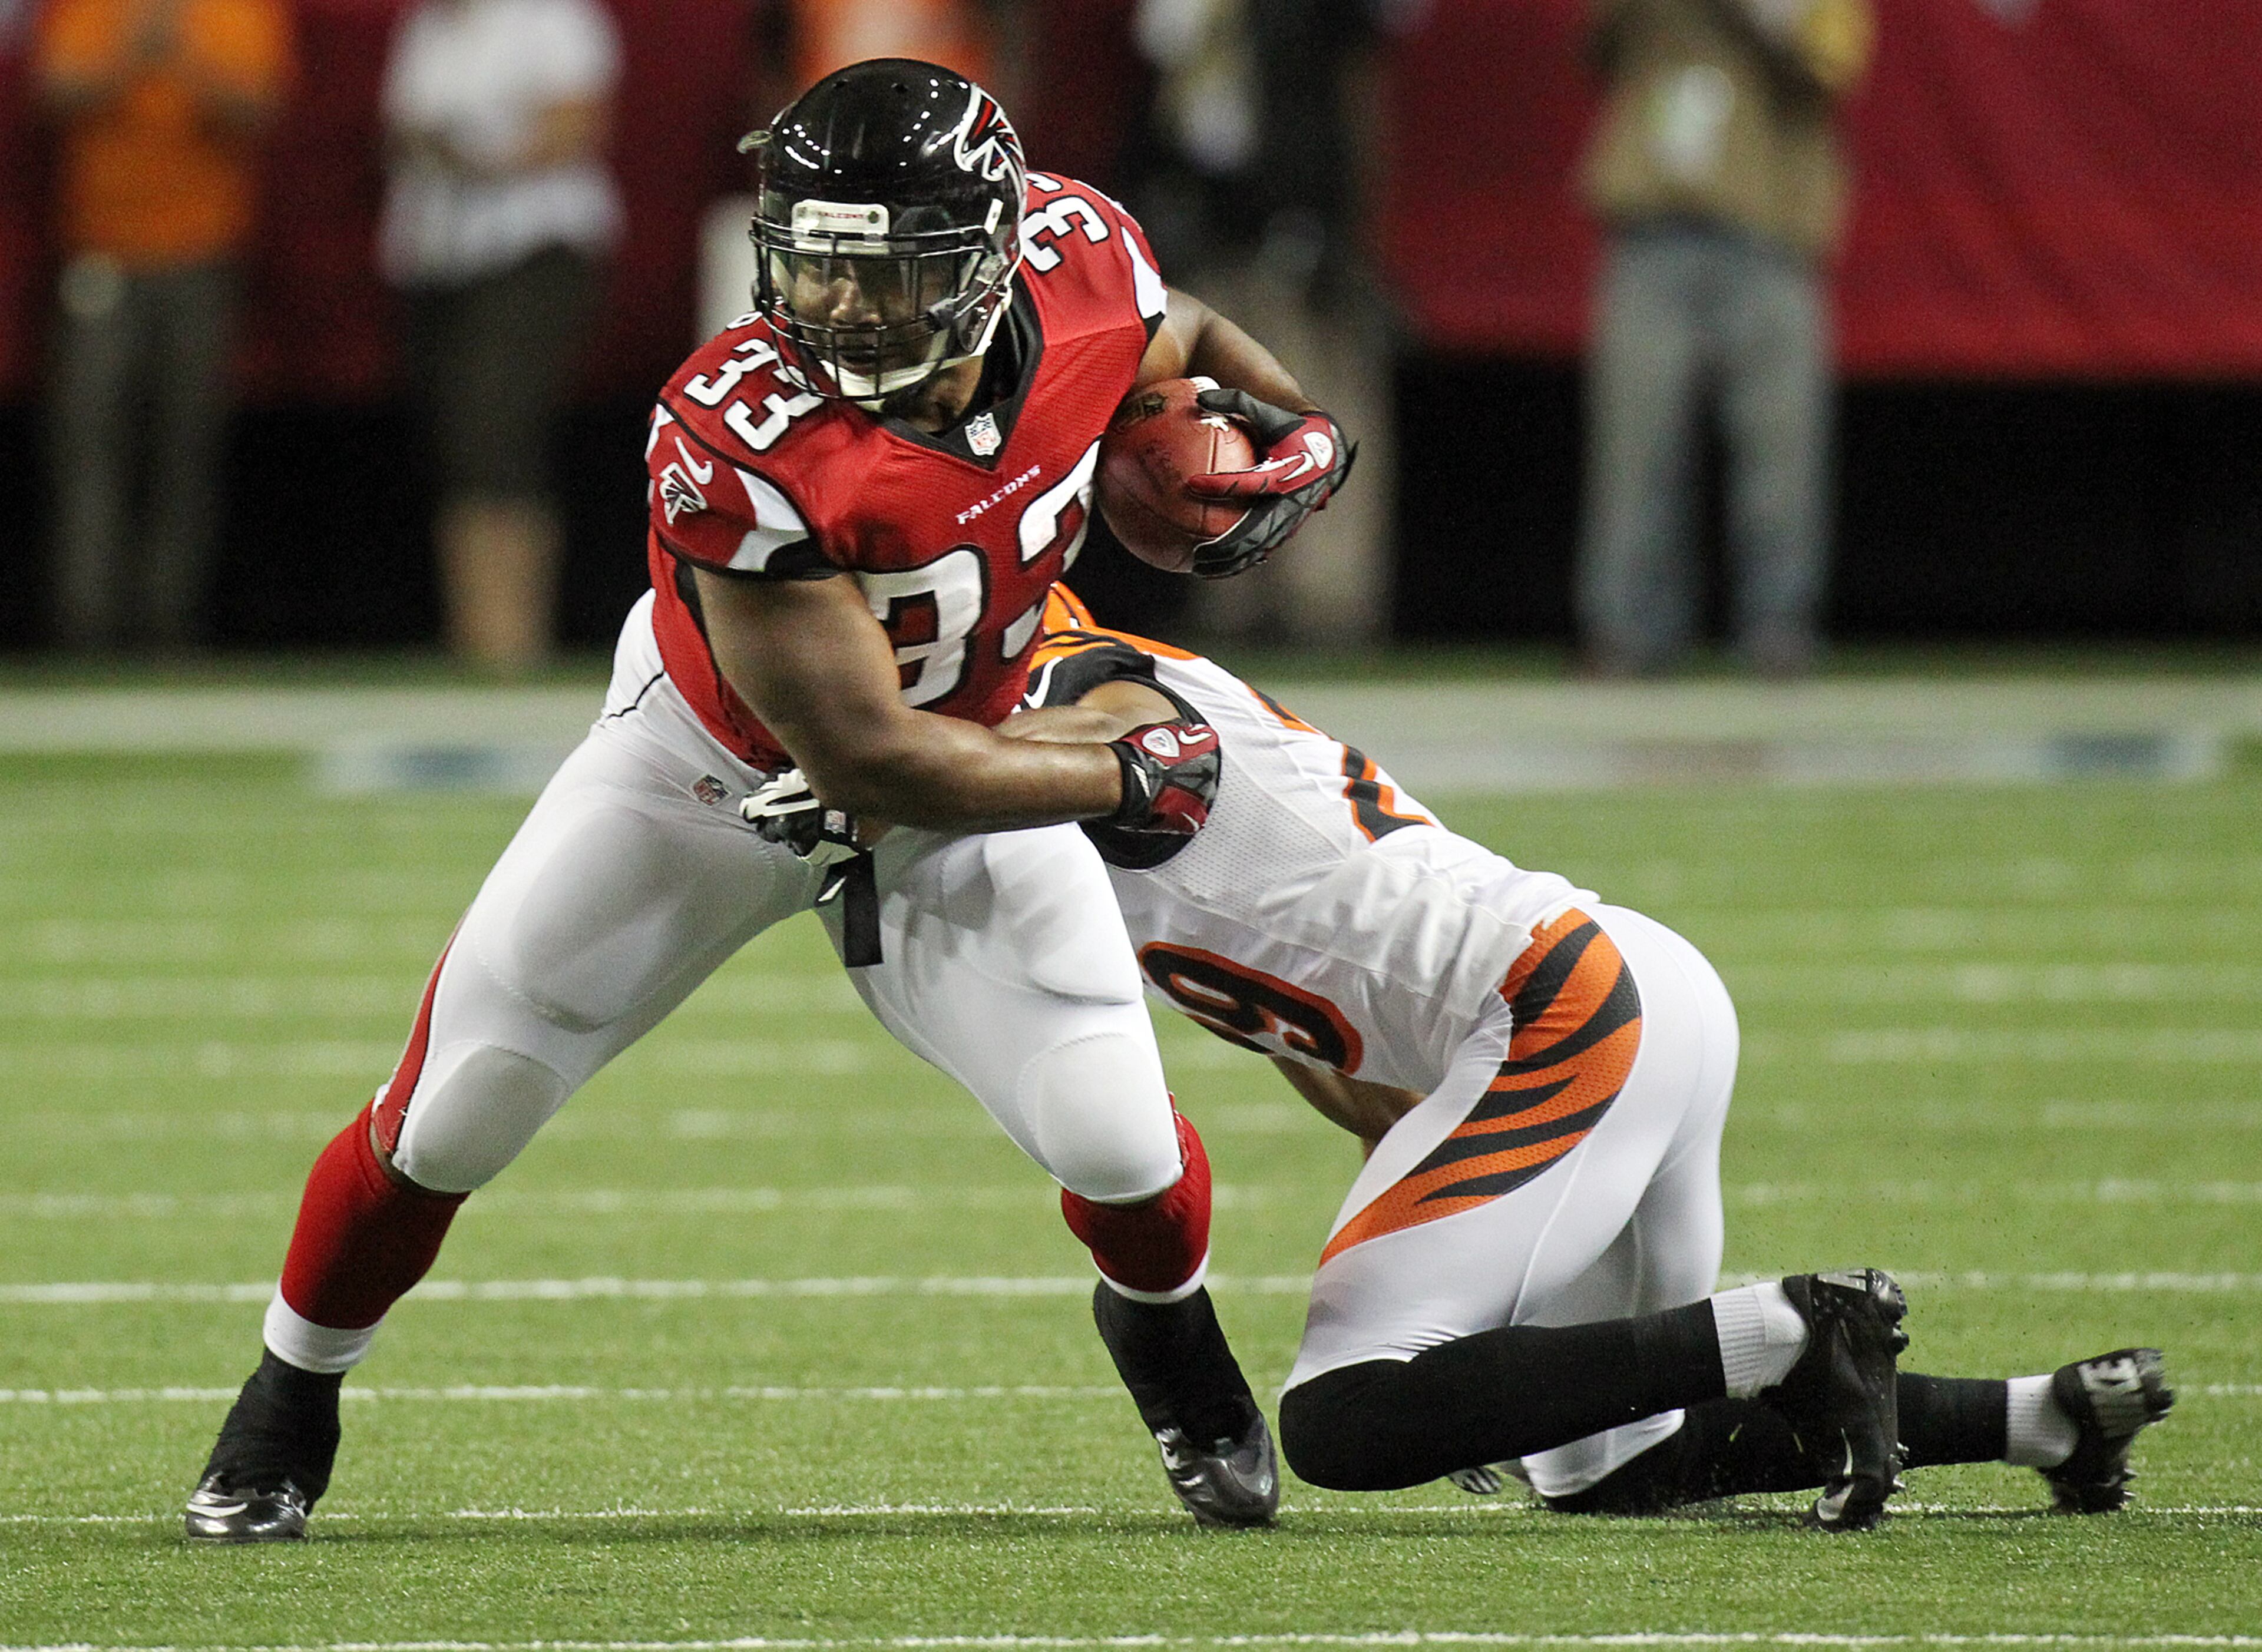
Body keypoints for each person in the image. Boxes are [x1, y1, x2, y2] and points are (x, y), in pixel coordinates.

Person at [183, 59, 1354, 1543]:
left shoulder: (1080, 261)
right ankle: (288, 1394)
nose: (846, 309)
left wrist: (1285, 423)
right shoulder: (739, 426)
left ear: (996, 256)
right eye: (817, 264)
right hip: (717, 770)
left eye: (892, 272)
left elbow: (1167, 328)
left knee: (1121, 1141)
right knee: (458, 1105)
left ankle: (1170, 1339)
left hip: (967, 756)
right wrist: (1120, 767)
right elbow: (866, 756)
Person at [983, 585, 2167, 1524]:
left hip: (1568, 1013)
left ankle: (1798, 1327)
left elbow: (1097, 727)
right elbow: (1350, 1063)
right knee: (1606, 1461)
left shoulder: (1075, 693)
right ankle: (2043, 1419)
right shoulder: (1045, 755)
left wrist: (865, 773)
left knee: (1343, 1419)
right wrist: (1470, 1382)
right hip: (1625, 992)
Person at [1575, 0, 1873, 678]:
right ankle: (1625, 631)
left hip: (1768, 239)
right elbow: (1596, 48)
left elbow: (1838, 62)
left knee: (1779, 452)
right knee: (1637, 447)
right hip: (1653, 234)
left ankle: (1778, 629)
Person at [32, 0, 292, 649]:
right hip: (102, 255)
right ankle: (86, 629)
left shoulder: (236, 12)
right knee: (90, 441)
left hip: (201, 260)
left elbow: (259, 109)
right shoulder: (90, 8)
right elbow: (55, 94)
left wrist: (184, 57)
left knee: (185, 447)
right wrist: (129, 53)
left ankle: (169, 629)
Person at [378, 0, 624, 672]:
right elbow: (399, 130)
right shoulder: (429, 25)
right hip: (440, 254)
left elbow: (576, 128)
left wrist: (476, 159)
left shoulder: (550, 19)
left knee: (500, 436)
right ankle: (475, 637)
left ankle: (512, 639)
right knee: (458, 441)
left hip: (530, 245)